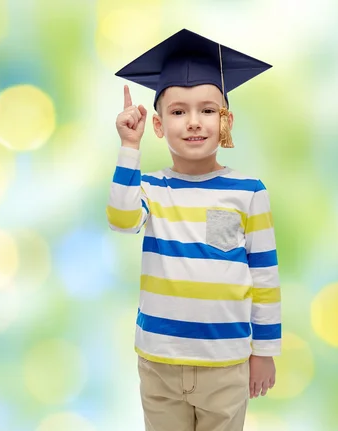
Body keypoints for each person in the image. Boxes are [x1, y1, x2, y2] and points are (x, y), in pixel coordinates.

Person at [106, 29, 281, 431]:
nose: (194, 123)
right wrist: (128, 147)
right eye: (178, 111)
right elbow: (120, 219)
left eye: (207, 110)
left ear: (226, 121)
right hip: (159, 360)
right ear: (157, 125)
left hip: (226, 362)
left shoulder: (248, 192)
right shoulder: (150, 187)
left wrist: (264, 351)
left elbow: (264, 276)